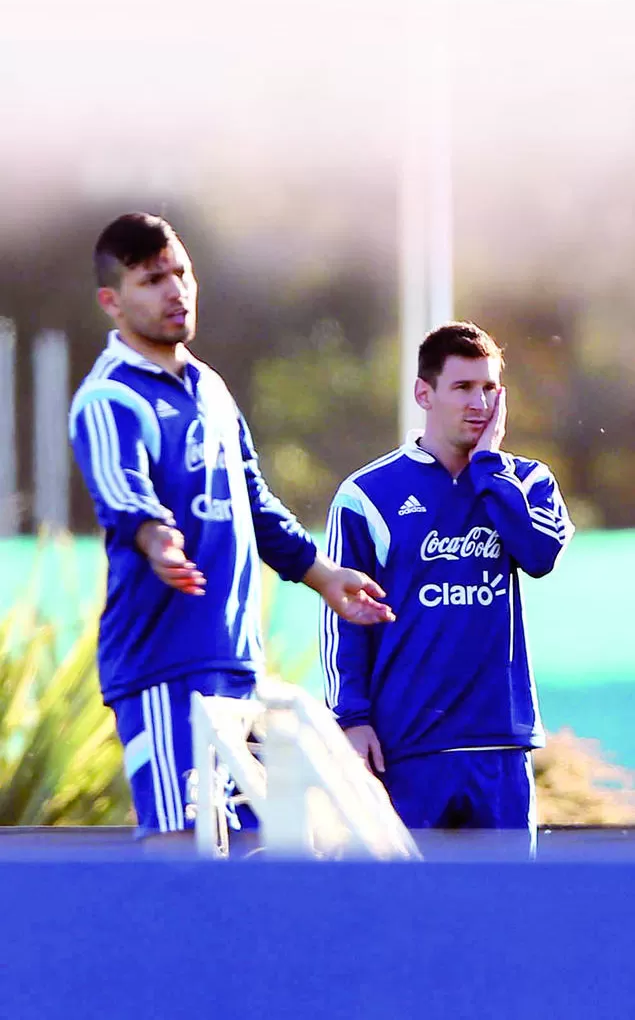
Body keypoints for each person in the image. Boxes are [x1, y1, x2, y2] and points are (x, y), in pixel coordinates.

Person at [69, 211, 394, 841]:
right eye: (152, 280)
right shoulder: (109, 398)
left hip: (236, 663)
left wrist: (321, 573)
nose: (175, 290)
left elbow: (253, 499)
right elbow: (122, 492)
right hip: (163, 665)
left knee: (249, 848)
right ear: (112, 301)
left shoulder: (212, 389)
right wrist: (154, 535)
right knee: (179, 844)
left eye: (181, 273)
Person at [320, 321, 574, 854]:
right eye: (462, 387)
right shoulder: (367, 494)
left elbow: (539, 554)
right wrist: (352, 717)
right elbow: (345, 617)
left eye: (489, 389)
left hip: (499, 744)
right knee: (409, 916)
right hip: (408, 746)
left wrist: (487, 466)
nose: (478, 402)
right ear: (424, 393)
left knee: (502, 918)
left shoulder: (527, 482)